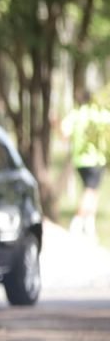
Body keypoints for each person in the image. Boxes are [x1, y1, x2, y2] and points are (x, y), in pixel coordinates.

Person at [60, 91, 110, 240]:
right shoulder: (100, 114)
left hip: (80, 160)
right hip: (96, 159)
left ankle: (89, 224)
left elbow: (63, 131)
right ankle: (77, 221)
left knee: (93, 191)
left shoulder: (76, 114)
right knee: (90, 191)